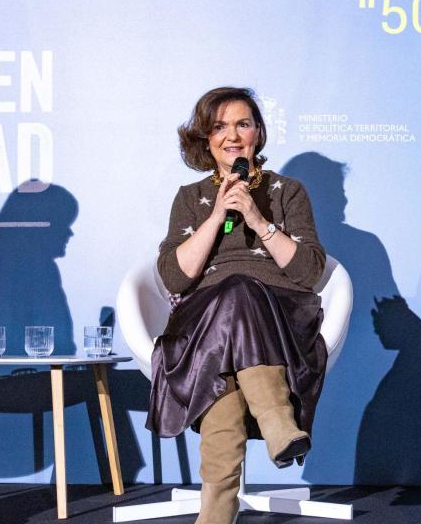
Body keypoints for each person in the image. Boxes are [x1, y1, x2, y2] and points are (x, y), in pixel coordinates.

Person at [148, 87, 329, 524]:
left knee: (238, 302)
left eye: (243, 124)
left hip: (277, 317)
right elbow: (174, 277)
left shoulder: (288, 192)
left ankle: (215, 514)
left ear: (258, 133)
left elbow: (308, 272)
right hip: (205, 319)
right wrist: (217, 217)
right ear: (206, 139)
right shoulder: (190, 197)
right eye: (220, 127)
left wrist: (257, 219)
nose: (232, 135)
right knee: (231, 298)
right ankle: (278, 425)